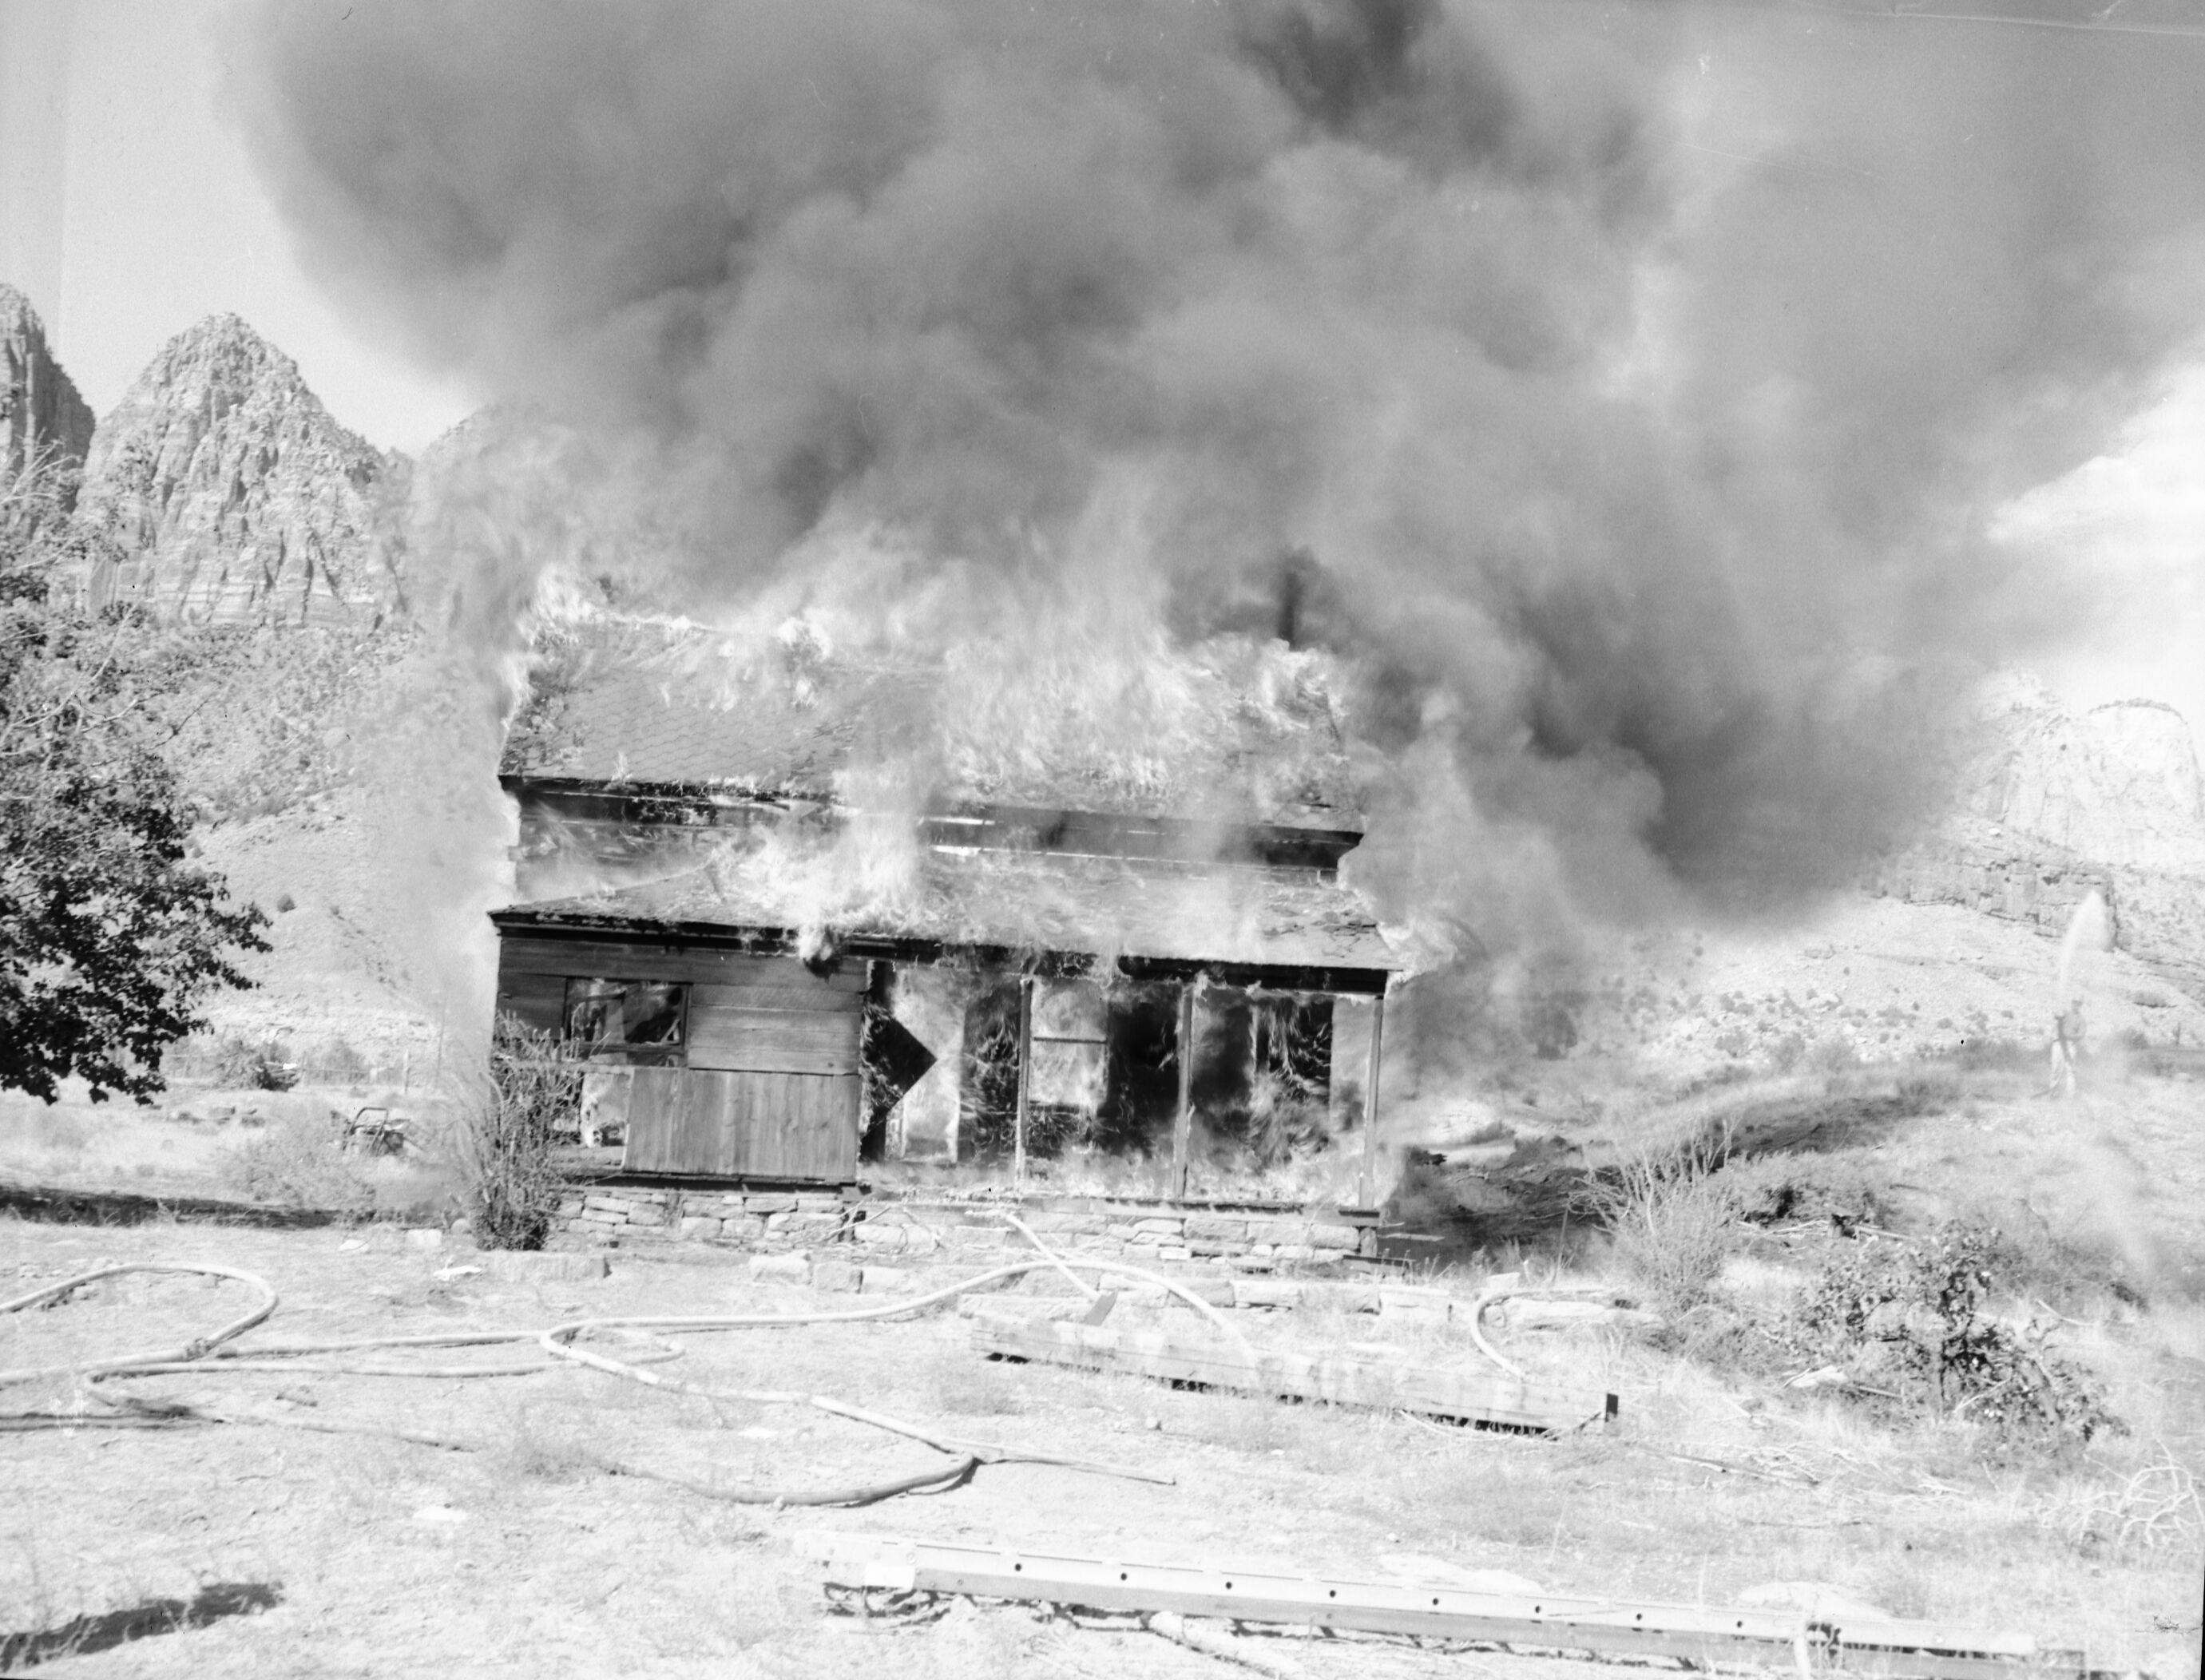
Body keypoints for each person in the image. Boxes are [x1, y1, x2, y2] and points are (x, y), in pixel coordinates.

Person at [2047, 995, 2084, 1098]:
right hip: (2058, 1043)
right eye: (2074, 1002)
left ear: (2080, 1005)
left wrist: (2069, 1036)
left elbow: (2081, 1034)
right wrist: (2058, 1014)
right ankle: (2053, 1093)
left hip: (2070, 1045)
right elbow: (2056, 1015)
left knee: (2070, 1070)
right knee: (2055, 1069)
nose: (2075, 1004)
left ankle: (2070, 1096)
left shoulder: (2081, 1019)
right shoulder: (2065, 1013)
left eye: (2078, 1003)